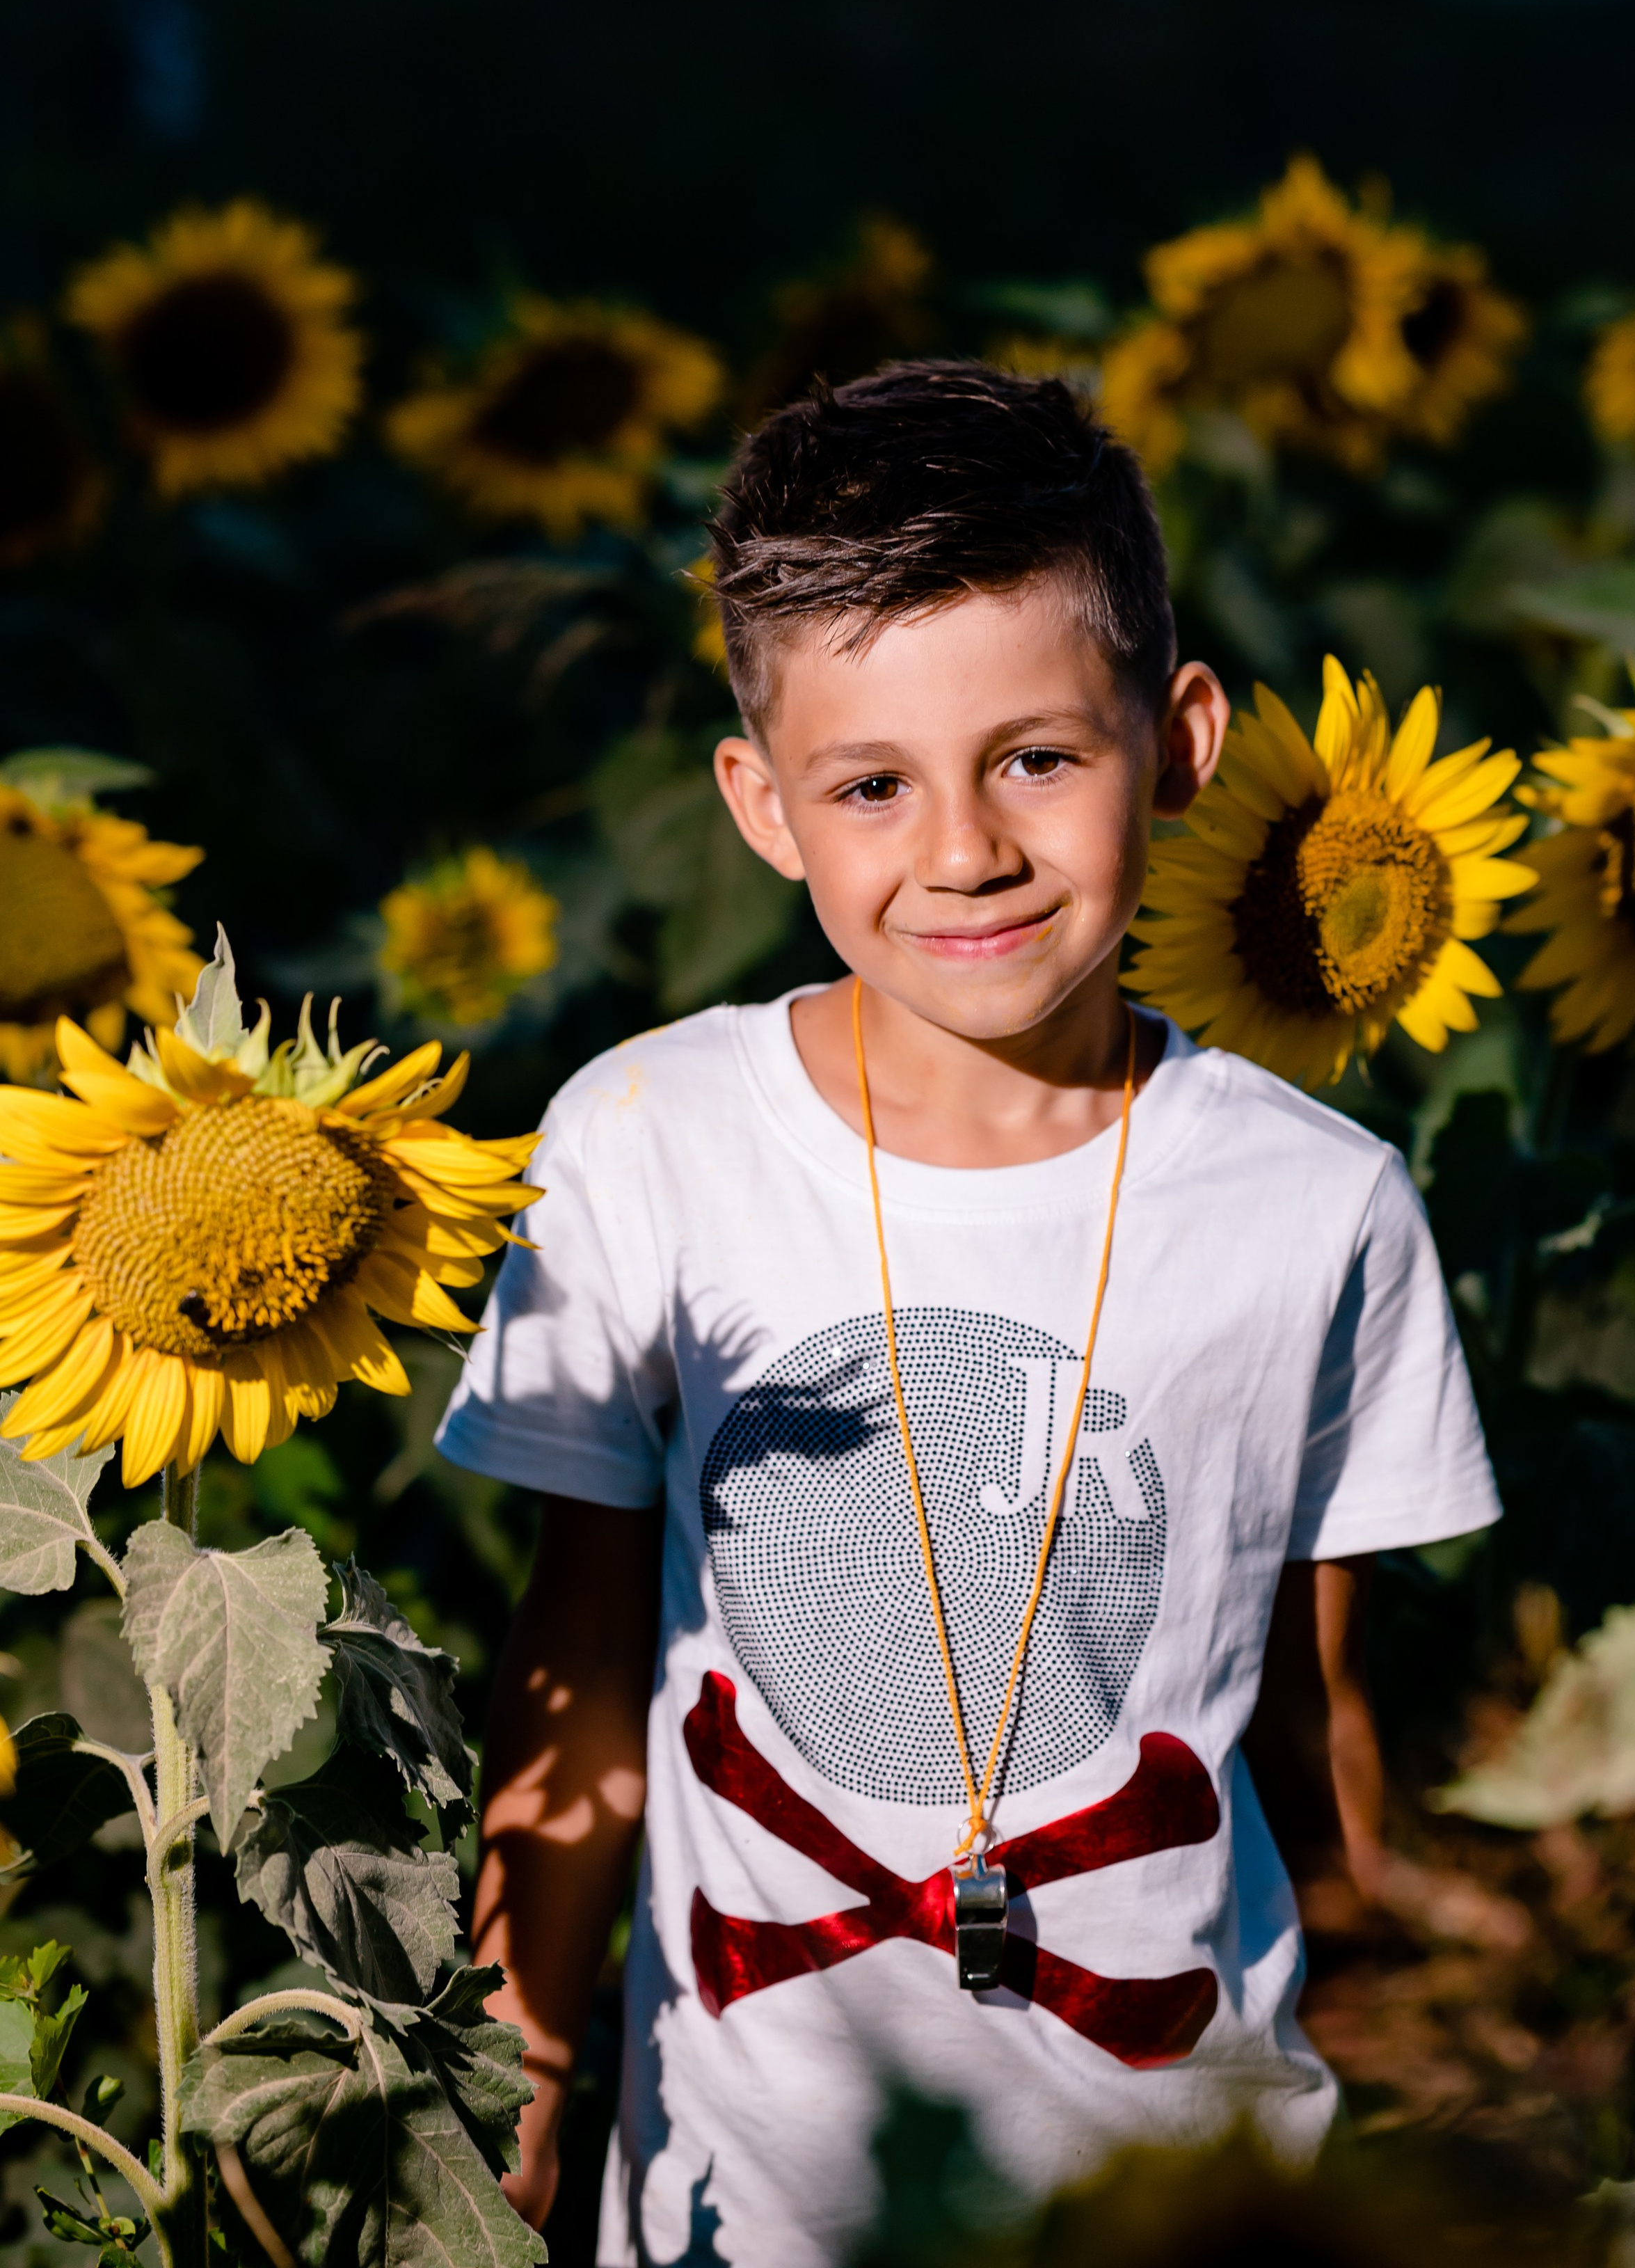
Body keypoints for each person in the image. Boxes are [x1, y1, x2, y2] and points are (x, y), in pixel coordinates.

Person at [437, 361, 1500, 2268]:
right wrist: (516, 2050)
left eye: (1037, 758)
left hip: (1189, 2198)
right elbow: (579, 1665)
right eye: (872, 785)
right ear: (763, 809)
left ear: (1177, 740)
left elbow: (1320, 1735)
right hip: (747, 2209)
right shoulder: (652, 1140)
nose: (966, 851)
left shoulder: (1320, 1203)